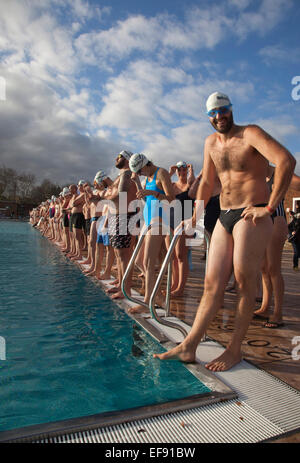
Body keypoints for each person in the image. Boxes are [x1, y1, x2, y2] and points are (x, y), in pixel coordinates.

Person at [153, 91, 295, 371]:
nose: (219, 116)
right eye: (213, 113)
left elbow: (286, 161)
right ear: (208, 116)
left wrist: (269, 208)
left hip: (251, 214)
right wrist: (194, 215)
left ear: (231, 109)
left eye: (223, 110)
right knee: (211, 285)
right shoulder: (210, 143)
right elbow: (207, 180)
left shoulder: (250, 134)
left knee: (244, 284)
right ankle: (189, 345)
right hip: (224, 215)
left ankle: (234, 349)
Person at [128, 153, 175, 313]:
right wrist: (137, 184)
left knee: (148, 262)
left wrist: (153, 193)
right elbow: (147, 201)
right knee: (139, 261)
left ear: (146, 164)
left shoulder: (161, 173)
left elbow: (171, 199)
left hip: (160, 221)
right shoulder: (146, 178)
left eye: (140, 172)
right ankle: (157, 296)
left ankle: (149, 301)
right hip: (149, 221)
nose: (140, 174)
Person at [254, 169, 300, 328]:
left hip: (276, 220)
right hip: (261, 222)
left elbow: (298, 183)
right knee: (264, 268)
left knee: (273, 269)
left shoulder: (278, 171)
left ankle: (278, 313)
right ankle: (265, 307)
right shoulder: (257, 173)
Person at [101, 150, 137, 300]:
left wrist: (102, 199)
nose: (116, 158)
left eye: (120, 156)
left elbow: (120, 194)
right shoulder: (122, 175)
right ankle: (122, 284)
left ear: (127, 159)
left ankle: (126, 290)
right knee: (118, 254)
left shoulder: (127, 174)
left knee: (124, 255)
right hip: (118, 216)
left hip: (124, 216)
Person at [168, 161, 198, 296]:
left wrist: (192, 170)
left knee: (181, 256)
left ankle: (180, 287)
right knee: (172, 257)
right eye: (179, 170)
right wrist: (169, 173)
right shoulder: (172, 186)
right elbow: (161, 186)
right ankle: (174, 284)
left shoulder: (190, 185)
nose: (181, 172)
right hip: (171, 222)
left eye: (184, 169)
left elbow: (194, 183)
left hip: (185, 224)